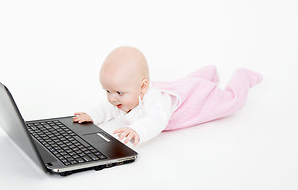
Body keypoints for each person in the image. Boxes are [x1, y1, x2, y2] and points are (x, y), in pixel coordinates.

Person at [73, 46, 262, 146]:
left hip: (193, 100)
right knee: (185, 83)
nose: (112, 99)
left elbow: (157, 119)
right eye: (107, 91)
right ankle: (210, 73)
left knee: (231, 101)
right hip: (182, 87)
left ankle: (242, 77)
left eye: (118, 93)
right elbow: (108, 108)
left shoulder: (156, 100)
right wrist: (93, 116)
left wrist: (137, 130)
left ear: (143, 87)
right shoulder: (125, 97)